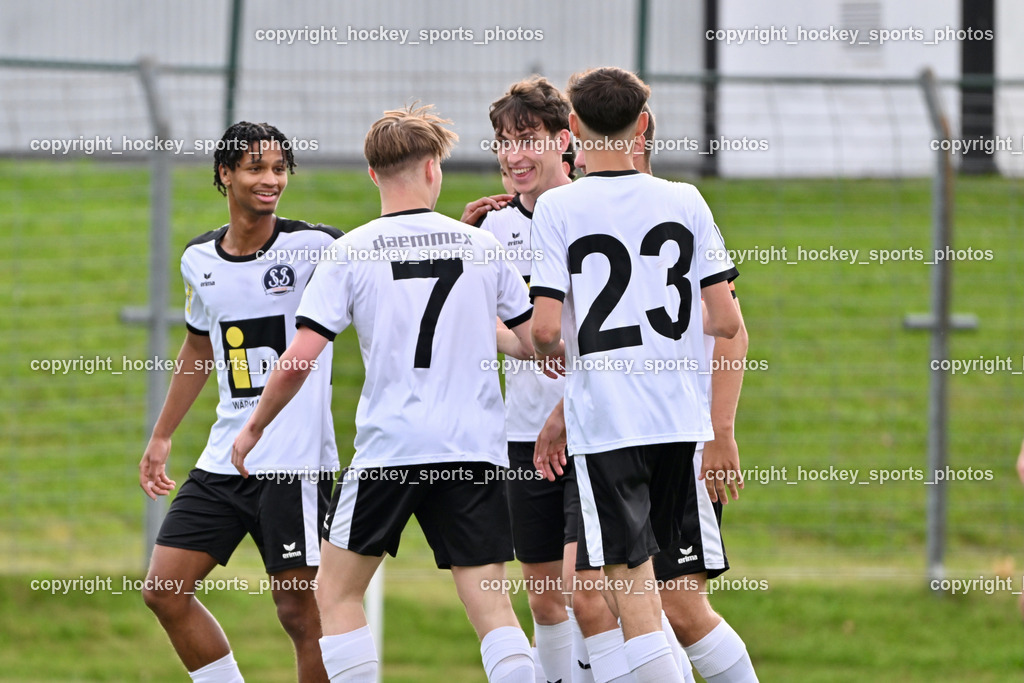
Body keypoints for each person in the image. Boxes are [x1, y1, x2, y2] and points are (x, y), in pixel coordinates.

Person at [231, 104, 551, 683]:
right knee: (492, 609)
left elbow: (301, 356)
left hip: (391, 451)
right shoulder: (480, 247)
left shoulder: (350, 250)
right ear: (434, 169)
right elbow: (534, 345)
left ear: (373, 174)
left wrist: (254, 425)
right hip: (472, 451)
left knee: (336, 593)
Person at [530, 67, 741, 683]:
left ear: (572, 128)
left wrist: (564, 344)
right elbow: (725, 321)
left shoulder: (559, 206)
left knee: (632, 589)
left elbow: (544, 329)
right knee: (674, 588)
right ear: (643, 124)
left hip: (610, 423)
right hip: (679, 418)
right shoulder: (686, 200)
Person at [138, 122, 341, 683]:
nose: (270, 180)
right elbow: (199, 347)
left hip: (293, 463)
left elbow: (389, 269)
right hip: (226, 458)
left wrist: (455, 236)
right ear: (225, 174)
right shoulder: (198, 259)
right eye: (256, 168)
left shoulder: (316, 248)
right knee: (164, 590)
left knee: (300, 613)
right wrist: (162, 435)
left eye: (279, 169)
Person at [468, 75, 576, 683]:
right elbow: (488, 327)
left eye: (528, 138)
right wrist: (536, 349)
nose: (514, 155)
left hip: (595, 428)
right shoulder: (493, 229)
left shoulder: (592, 215)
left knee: (588, 589)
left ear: (564, 141)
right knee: (542, 596)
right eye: (504, 142)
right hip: (524, 430)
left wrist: (562, 360)